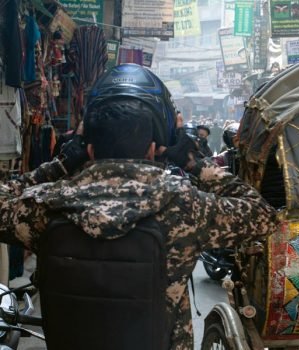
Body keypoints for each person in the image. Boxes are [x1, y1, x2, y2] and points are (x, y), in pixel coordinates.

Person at [0, 98, 278, 349]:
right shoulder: (183, 204)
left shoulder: (47, 205)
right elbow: (262, 215)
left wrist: (59, 164)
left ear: (90, 151)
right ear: (152, 150)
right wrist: (195, 164)